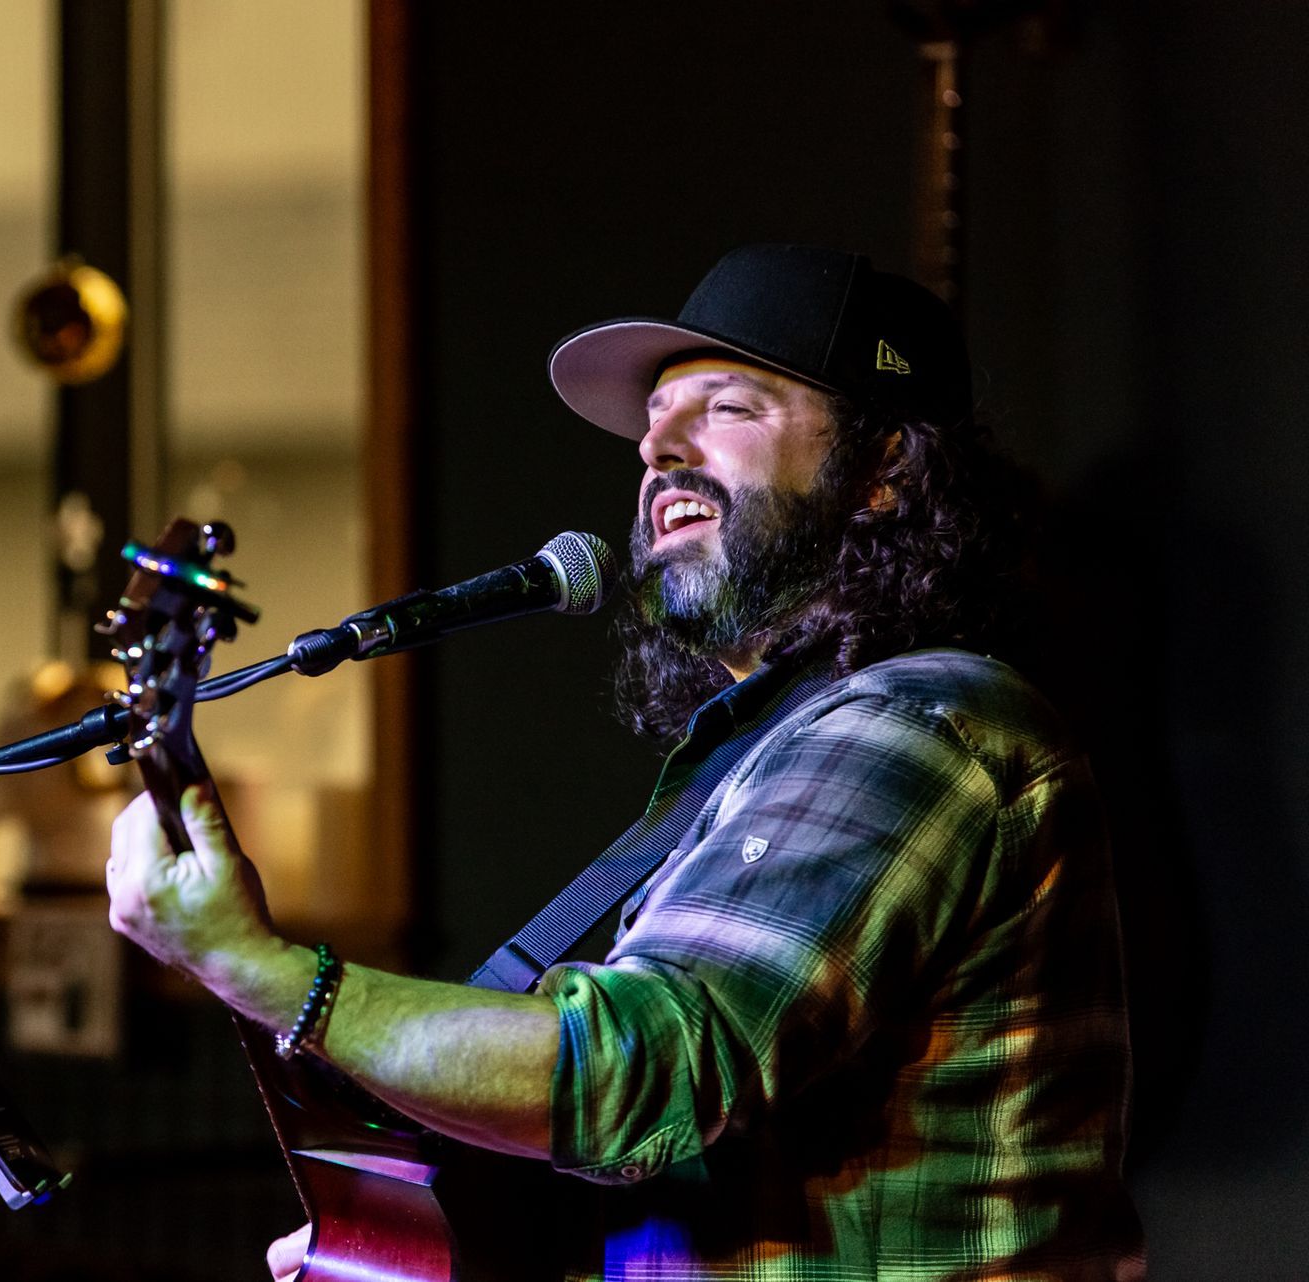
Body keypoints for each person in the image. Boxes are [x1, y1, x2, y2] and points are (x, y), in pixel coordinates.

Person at [104, 244, 1146, 1280]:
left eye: (728, 410)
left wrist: (267, 974)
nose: (663, 450)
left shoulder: (921, 724)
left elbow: (645, 1072)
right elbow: (687, 1175)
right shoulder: (771, 745)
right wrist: (426, 1245)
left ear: (882, 471)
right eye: (654, 426)